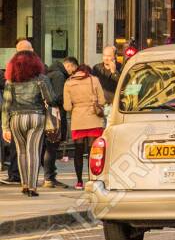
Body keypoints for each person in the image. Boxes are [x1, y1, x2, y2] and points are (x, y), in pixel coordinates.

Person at [2, 48, 54, 197]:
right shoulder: (41, 79)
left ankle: (24, 184)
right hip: (36, 117)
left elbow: (6, 105)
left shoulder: (10, 81)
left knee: (21, 152)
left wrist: (5, 127)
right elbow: (50, 99)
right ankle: (32, 186)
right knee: (34, 152)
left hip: (16, 119)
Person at [61, 60, 105, 190]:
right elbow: (102, 100)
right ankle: (93, 178)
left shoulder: (68, 83)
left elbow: (67, 107)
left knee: (78, 152)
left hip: (78, 120)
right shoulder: (94, 80)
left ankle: (79, 181)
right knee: (94, 152)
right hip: (94, 120)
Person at [41, 51, 69, 189]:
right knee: (51, 146)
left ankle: (49, 176)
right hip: (55, 116)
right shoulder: (59, 76)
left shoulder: (49, 74)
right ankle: (49, 177)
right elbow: (58, 97)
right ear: (69, 66)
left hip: (46, 115)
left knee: (47, 146)